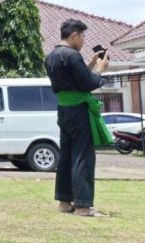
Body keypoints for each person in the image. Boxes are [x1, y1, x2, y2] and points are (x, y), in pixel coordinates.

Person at [44, 19, 111, 217]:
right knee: (83, 155)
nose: (83, 40)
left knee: (66, 155)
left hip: (64, 110)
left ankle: (64, 202)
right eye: (82, 36)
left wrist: (90, 63)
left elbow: (74, 79)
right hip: (79, 111)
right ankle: (83, 206)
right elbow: (88, 83)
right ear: (73, 35)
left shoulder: (51, 56)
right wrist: (101, 68)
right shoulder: (72, 55)